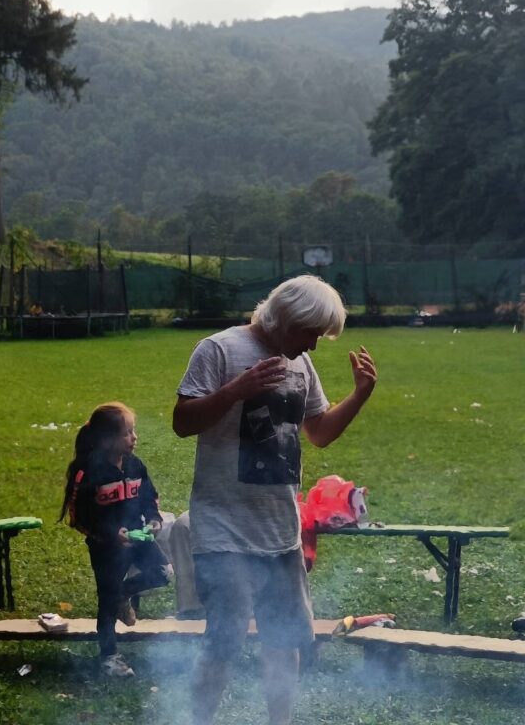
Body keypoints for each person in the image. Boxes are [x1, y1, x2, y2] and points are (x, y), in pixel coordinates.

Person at [173, 274, 377, 725]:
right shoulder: (219, 350)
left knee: (284, 643)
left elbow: (319, 432)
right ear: (286, 318)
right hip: (224, 530)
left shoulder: (300, 362)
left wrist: (359, 396)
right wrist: (235, 391)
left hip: (281, 532)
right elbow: (182, 422)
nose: (313, 345)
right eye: (310, 332)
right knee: (223, 643)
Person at [59, 401, 170, 678]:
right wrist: (111, 534)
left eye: (133, 431)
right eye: (127, 433)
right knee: (106, 602)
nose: (134, 437)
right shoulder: (89, 473)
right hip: (106, 548)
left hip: (139, 538)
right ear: (107, 440)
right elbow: (79, 517)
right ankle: (109, 656)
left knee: (163, 573)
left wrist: (154, 520)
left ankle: (123, 594)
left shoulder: (135, 466)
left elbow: (149, 499)